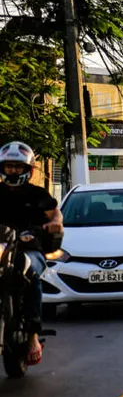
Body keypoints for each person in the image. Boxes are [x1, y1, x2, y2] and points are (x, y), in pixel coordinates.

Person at [0, 141, 63, 365]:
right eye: (9, 167)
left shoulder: (37, 194)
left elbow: (55, 215)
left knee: (32, 277)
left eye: (18, 167)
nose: (14, 171)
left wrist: (54, 224)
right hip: (1, 248)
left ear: (28, 170)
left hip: (29, 247)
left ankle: (33, 337)